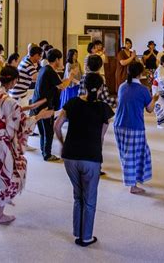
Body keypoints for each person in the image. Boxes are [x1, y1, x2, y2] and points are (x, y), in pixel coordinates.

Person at [0, 66, 53, 225]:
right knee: (10, 172)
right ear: (15, 80)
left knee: (4, 170)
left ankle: (3, 201)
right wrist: (39, 115)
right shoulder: (8, 100)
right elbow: (21, 123)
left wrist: (29, 107)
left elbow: (7, 112)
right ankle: (0, 213)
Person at [54, 73, 111, 247]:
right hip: (91, 157)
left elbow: (57, 124)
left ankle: (77, 231)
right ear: (101, 88)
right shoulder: (103, 108)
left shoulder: (73, 103)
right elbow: (101, 135)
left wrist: (63, 143)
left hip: (70, 155)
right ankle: (86, 237)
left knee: (78, 196)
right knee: (90, 198)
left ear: (83, 86)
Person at [114, 62, 159, 194]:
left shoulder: (122, 86)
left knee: (126, 155)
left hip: (119, 124)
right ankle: (132, 185)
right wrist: (155, 98)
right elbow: (150, 109)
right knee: (134, 156)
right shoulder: (143, 90)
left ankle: (133, 180)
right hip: (134, 126)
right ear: (141, 73)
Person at [31, 48, 74, 162]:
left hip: (37, 103)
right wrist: (70, 77)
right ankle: (47, 154)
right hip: (44, 105)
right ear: (56, 59)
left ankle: (44, 150)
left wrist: (66, 79)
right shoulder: (49, 71)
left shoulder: (45, 69)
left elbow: (59, 83)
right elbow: (62, 86)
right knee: (49, 130)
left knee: (43, 130)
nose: (61, 61)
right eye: (60, 59)